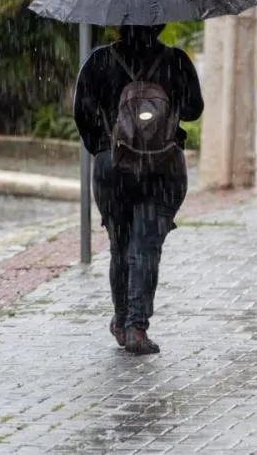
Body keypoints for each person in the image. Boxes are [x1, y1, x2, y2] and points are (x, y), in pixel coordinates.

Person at [73, 24, 204, 355]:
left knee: (120, 245)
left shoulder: (99, 61)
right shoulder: (175, 60)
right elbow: (193, 109)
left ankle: (121, 320)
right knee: (145, 244)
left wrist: (105, 148)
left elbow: (82, 115)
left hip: (111, 166)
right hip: (163, 165)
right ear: (160, 24)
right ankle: (136, 328)